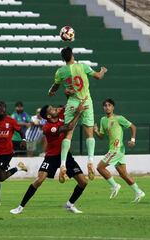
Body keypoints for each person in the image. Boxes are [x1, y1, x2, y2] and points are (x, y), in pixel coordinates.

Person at [10, 101, 88, 215]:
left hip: (65, 155)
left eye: (54, 107)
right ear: (49, 116)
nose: (55, 108)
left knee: (83, 182)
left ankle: (70, 204)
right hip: (51, 157)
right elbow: (69, 127)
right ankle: (20, 207)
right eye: (52, 109)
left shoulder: (59, 114)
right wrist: (78, 113)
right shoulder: (48, 127)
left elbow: (67, 106)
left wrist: (75, 103)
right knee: (39, 180)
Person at [48, 46, 107, 183]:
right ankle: (90, 161)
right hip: (85, 101)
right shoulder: (83, 66)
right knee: (89, 134)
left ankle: (62, 165)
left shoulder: (60, 71)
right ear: (72, 55)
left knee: (68, 134)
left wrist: (52, 91)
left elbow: (56, 86)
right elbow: (98, 77)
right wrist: (102, 71)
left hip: (72, 103)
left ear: (63, 58)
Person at [94, 99, 145, 202]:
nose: (107, 107)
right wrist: (95, 131)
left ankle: (115, 185)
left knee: (100, 167)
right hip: (115, 150)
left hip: (116, 149)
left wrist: (132, 140)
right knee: (123, 174)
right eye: (105, 105)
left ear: (113, 107)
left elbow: (133, 127)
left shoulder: (119, 118)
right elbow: (101, 136)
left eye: (109, 105)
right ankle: (139, 192)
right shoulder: (103, 120)